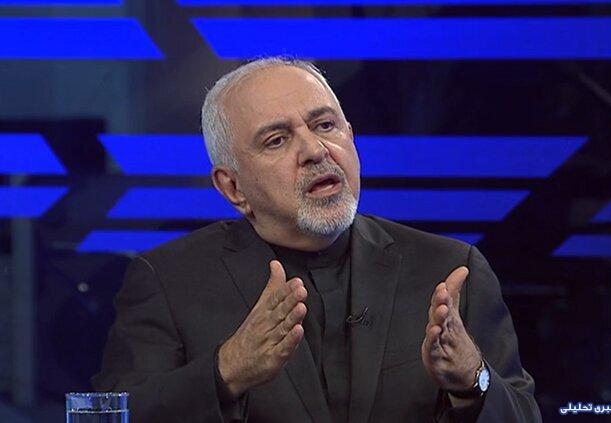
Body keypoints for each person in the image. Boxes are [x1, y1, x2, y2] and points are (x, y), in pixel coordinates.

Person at [92, 57, 541, 422]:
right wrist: (225, 373)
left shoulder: (449, 270)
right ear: (233, 188)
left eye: (325, 126)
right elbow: (117, 415)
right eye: (276, 140)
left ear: (351, 137)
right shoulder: (169, 281)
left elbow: (522, 414)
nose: (314, 150)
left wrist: (473, 381)